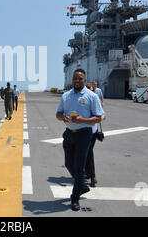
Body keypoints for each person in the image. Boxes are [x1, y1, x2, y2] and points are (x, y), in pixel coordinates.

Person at [56, 69, 105, 212]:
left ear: (85, 80)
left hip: (84, 134)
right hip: (69, 133)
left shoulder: (91, 96)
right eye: (75, 78)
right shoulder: (66, 95)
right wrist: (62, 117)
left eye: (80, 78)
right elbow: (58, 113)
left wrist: (82, 120)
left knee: (79, 167)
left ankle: (75, 197)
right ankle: (82, 185)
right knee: (68, 164)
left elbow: (99, 117)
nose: (77, 81)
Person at [85, 83, 106, 186]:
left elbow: (103, 115)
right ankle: (90, 174)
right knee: (87, 152)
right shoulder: (83, 101)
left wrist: (98, 118)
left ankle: (91, 175)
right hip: (83, 131)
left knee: (88, 152)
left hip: (92, 131)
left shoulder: (95, 100)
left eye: (92, 91)